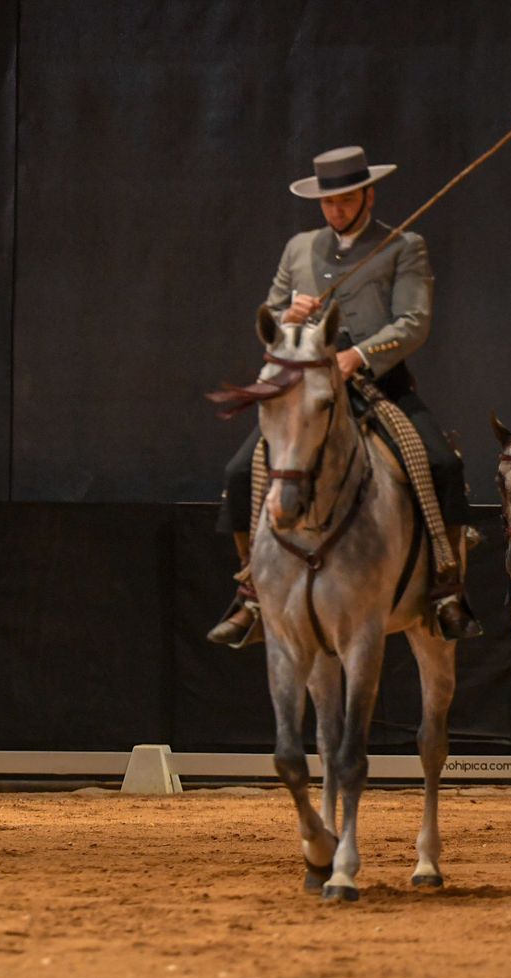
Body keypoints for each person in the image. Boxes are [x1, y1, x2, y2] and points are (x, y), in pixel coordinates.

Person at [208, 146, 481, 645]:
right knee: (238, 472)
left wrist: (360, 355)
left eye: (346, 199)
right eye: (328, 202)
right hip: (309, 386)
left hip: (377, 384)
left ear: (367, 195)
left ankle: (446, 583)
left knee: (442, 464)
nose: (336, 210)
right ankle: (251, 590)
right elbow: (269, 315)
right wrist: (288, 316)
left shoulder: (403, 245)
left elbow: (414, 321)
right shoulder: (299, 249)